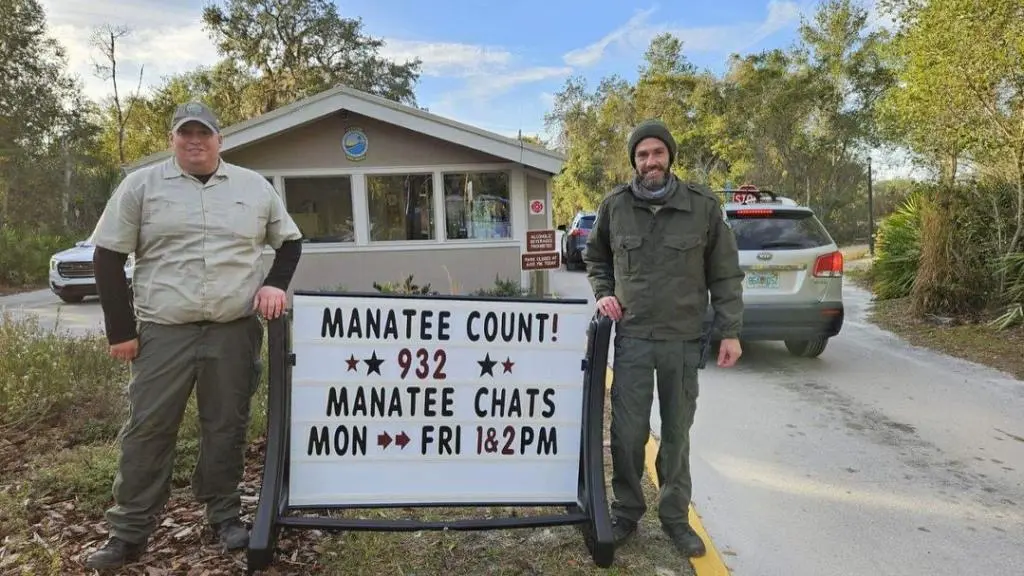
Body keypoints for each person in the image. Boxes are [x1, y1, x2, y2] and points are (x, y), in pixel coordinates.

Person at [84, 101, 304, 570]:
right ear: (172, 140)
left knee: (226, 425)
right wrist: (120, 330)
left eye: (203, 133)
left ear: (219, 139)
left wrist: (274, 285)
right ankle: (129, 531)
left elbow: (289, 242)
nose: (195, 141)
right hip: (164, 333)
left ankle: (224, 515)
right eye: (185, 134)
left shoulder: (253, 187)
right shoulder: (142, 186)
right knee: (147, 430)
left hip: (233, 332)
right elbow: (106, 256)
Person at [583, 119, 744, 559]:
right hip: (633, 338)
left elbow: (725, 274)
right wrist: (605, 294)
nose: (649, 161)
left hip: (682, 339)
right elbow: (595, 257)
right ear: (633, 161)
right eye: (642, 155)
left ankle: (675, 518)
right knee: (628, 433)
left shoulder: (702, 206)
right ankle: (627, 512)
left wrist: (729, 331)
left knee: (676, 434)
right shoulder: (614, 206)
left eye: (657, 153)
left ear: (670, 156)